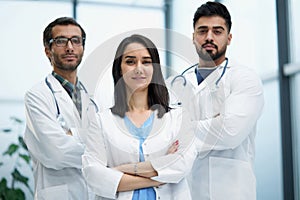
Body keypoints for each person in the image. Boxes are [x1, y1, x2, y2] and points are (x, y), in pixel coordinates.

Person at [82, 34, 197, 200]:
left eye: (146, 61)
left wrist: (119, 171)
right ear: (119, 69)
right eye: (130, 61)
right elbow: (93, 174)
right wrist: (160, 175)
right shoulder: (102, 121)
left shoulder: (178, 118)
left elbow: (181, 165)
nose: (138, 68)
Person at [169, 2, 264, 200]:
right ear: (193, 37)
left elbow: (229, 132)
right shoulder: (175, 85)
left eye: (217, 31)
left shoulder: (244, 78)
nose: (209, 37)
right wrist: (215, 122)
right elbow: (157, 133)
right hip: (183, 191)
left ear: (229, 38)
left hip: (230, 192)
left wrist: (178, 130)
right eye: (202, 31)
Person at [24, 17, 98, 200]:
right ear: (48, 51)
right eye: (60, 41)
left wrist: (73, 135)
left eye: (76, 40)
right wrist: (98, 146)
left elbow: (111, 142)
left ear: (82, 47)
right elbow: (57, 152)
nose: (70, 47)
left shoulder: (93, 98)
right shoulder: (37, 96)